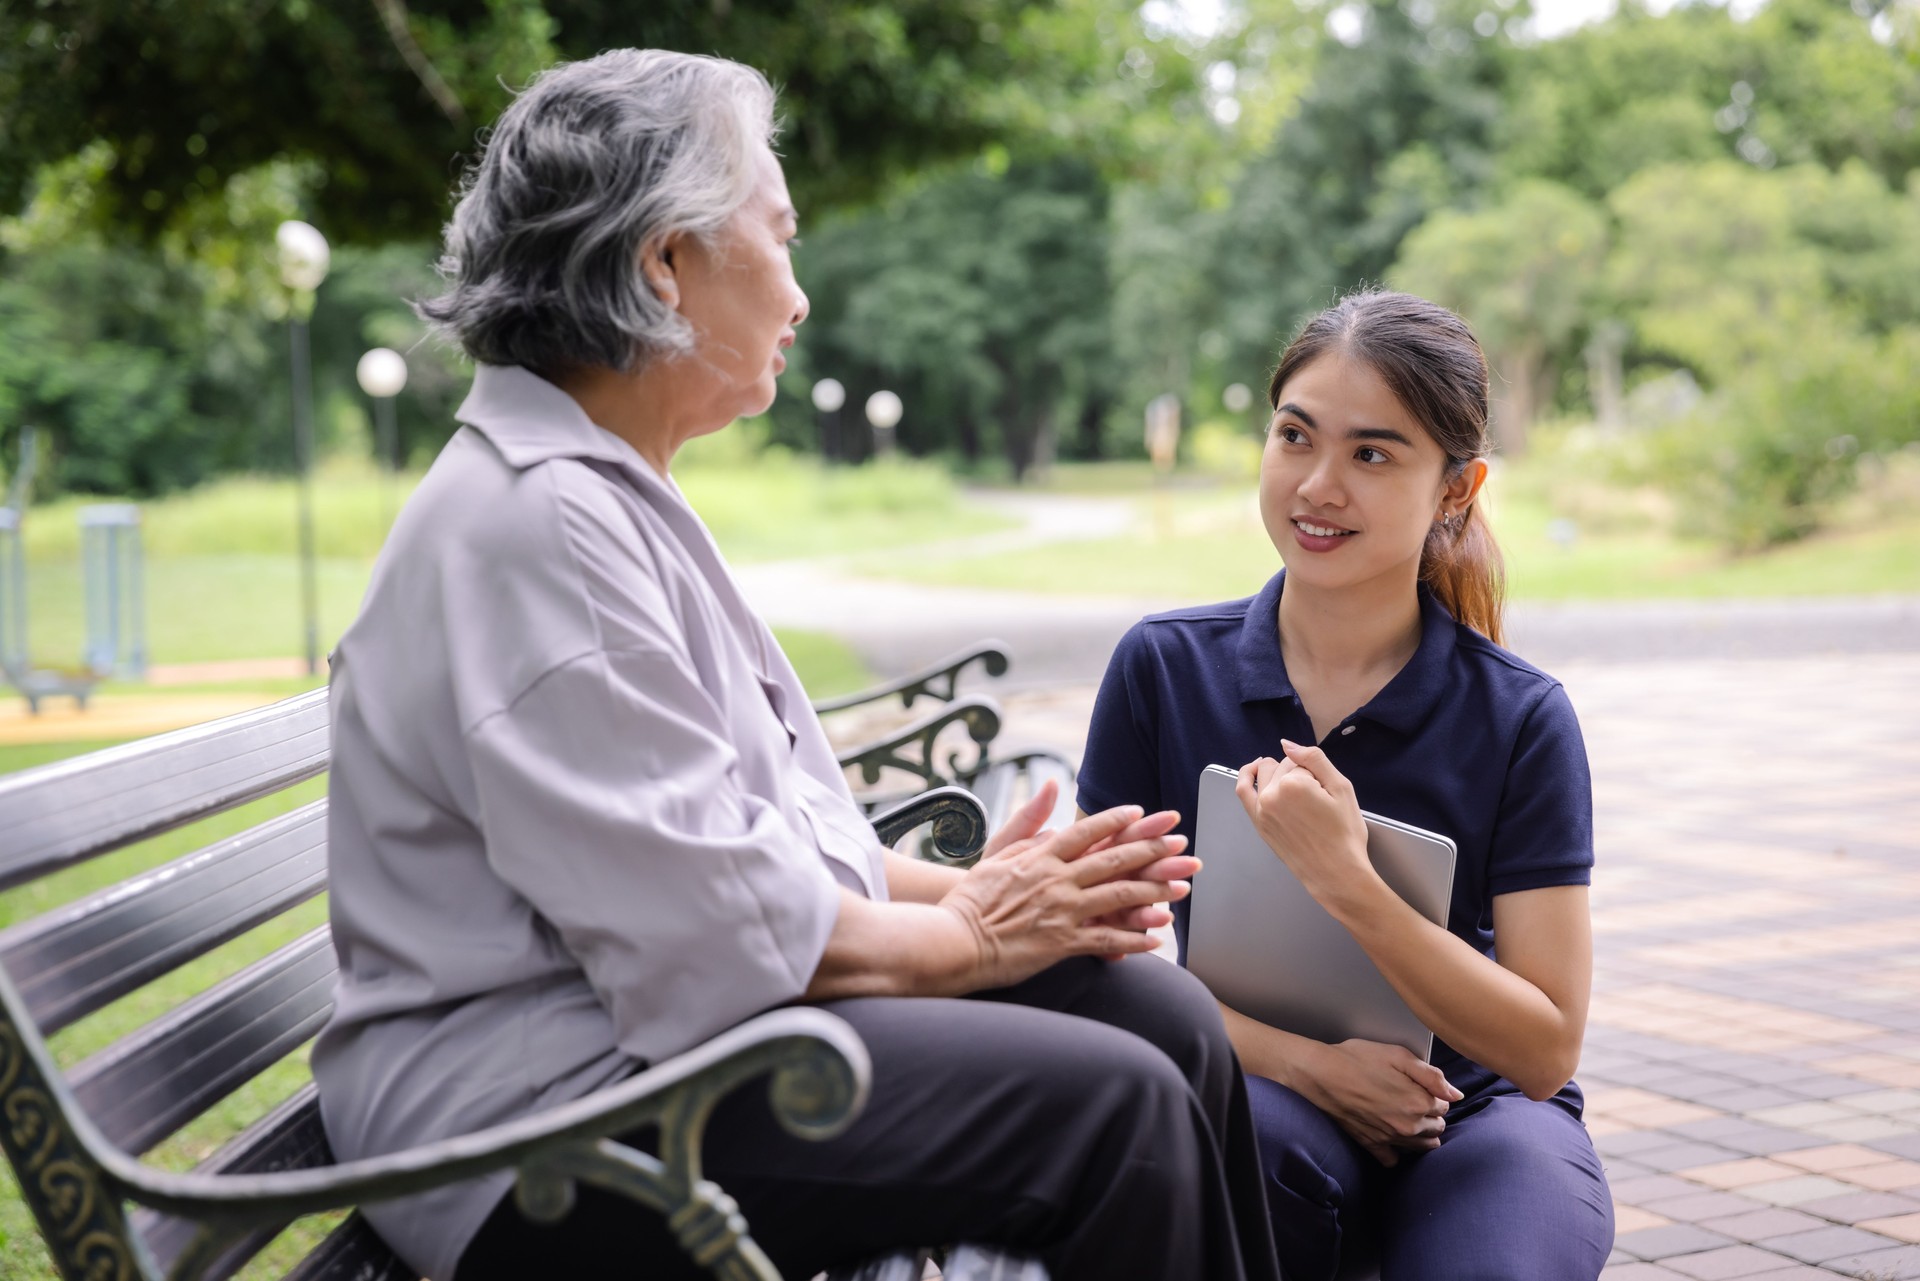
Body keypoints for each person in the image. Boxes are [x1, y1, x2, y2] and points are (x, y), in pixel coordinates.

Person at [310, 49, 1280, 1281]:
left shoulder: (598, 493)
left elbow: (746, 847)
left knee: (1162, 1016)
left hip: (642, 1059)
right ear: (665, 262)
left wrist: (1006, 897)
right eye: (780, 237)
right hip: (536, 1135)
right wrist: (979, 931)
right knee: (1114, 1113)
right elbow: (714, 933)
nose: (801, 295)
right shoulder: (540, 523)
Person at [1077, 290, 1615, 1280]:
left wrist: (1351, 884)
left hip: (1480, 1114)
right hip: (1258, 1084)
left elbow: (1544, 1050)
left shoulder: (1522, 717)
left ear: (1457, 491)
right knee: (1248, 1168)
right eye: (1295, 436)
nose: (1318, 486)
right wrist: (1306, 1064)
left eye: (1373, 454)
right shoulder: (1163, 668)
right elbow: (1090, 961)